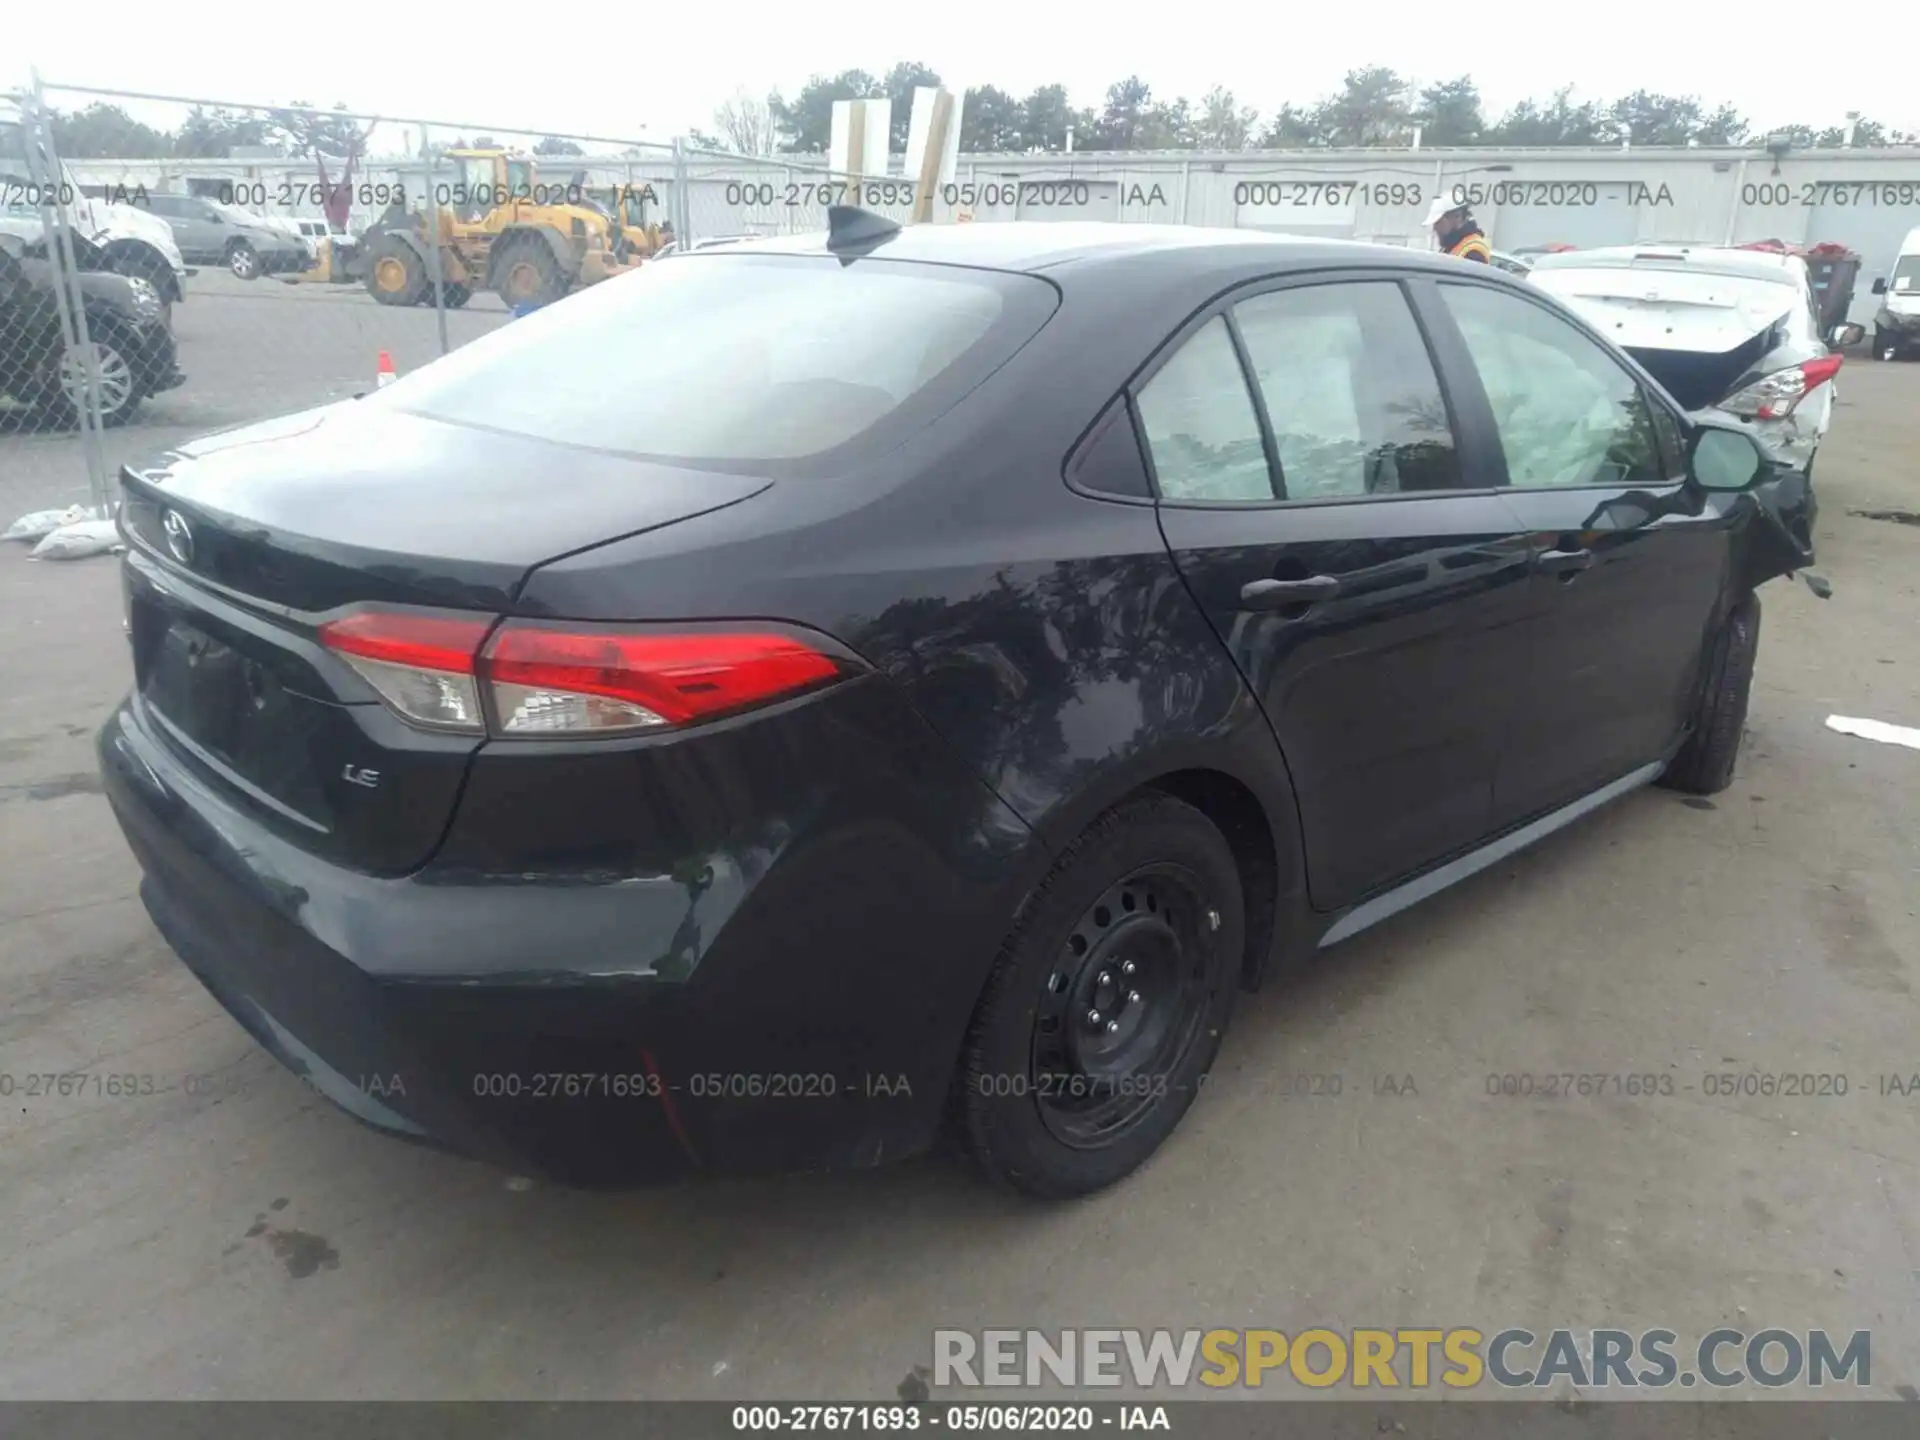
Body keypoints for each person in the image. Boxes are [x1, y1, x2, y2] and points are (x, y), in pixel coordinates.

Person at [1426, 194, 1492, 263]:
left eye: (1438, 222)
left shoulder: (1473, 251)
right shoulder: (1453, 246)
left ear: (1457, 217)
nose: (1435, 228)